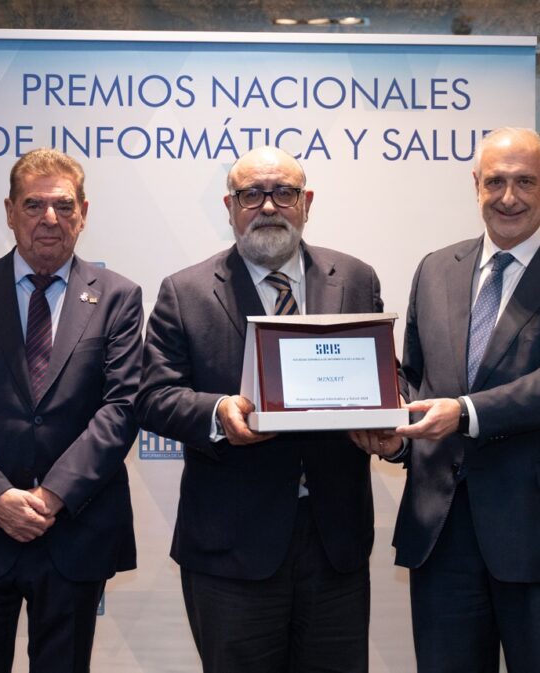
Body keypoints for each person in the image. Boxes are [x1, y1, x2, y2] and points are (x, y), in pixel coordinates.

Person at [357, 127, 540, 673]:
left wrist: (464, 413)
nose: (509, 197)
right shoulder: (436, 268)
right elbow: (416, 378)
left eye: (524, 181)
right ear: (475, 184)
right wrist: (396, 436)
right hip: (442, 531)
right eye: (496, 182)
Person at [135, 146, 383, 673]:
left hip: (334, 544)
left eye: (284, 192)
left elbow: (386, 370)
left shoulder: (356, 278)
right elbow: (153, 395)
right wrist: (218, 412)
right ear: (230, 206)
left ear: (306, 202)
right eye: (252, 194)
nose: (268, 206)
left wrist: (391, 408)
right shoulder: (185, 291)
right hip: (231, 549)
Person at [0, 148, 141, 673]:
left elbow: (121, 408)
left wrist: (52, 495)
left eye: (64, 206)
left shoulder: (119, 297)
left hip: (73, 532)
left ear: (83, 213)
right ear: (9, 211)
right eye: (34, 204)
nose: (50, 218)